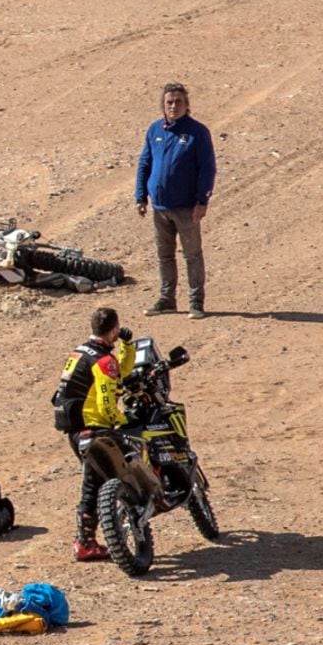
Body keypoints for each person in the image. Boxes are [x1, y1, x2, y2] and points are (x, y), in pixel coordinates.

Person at [52, 307, 136, 561]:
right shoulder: (102, 360)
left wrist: (127, 347)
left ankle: (89, 538)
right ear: (114, 330)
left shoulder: (79, 352)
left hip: (74, 428)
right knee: (94, 484)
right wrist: (122, 420)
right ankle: (85, 543)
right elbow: (107, 404)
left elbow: (119, 373)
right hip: (94, 429)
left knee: (96, 483)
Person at [135, 82, 217, 319]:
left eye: (178, 102)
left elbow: (207, 168)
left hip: (186, 208)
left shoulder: (197, 132)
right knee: (165, 255)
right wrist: (140, 196)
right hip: (160, 208)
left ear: (187, 105)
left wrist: (202, 201)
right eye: (169, 102)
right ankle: (167, 299)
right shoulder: (154, 131)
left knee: (192, 254)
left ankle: (196, 302)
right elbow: (145, 164)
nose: (173, 106)